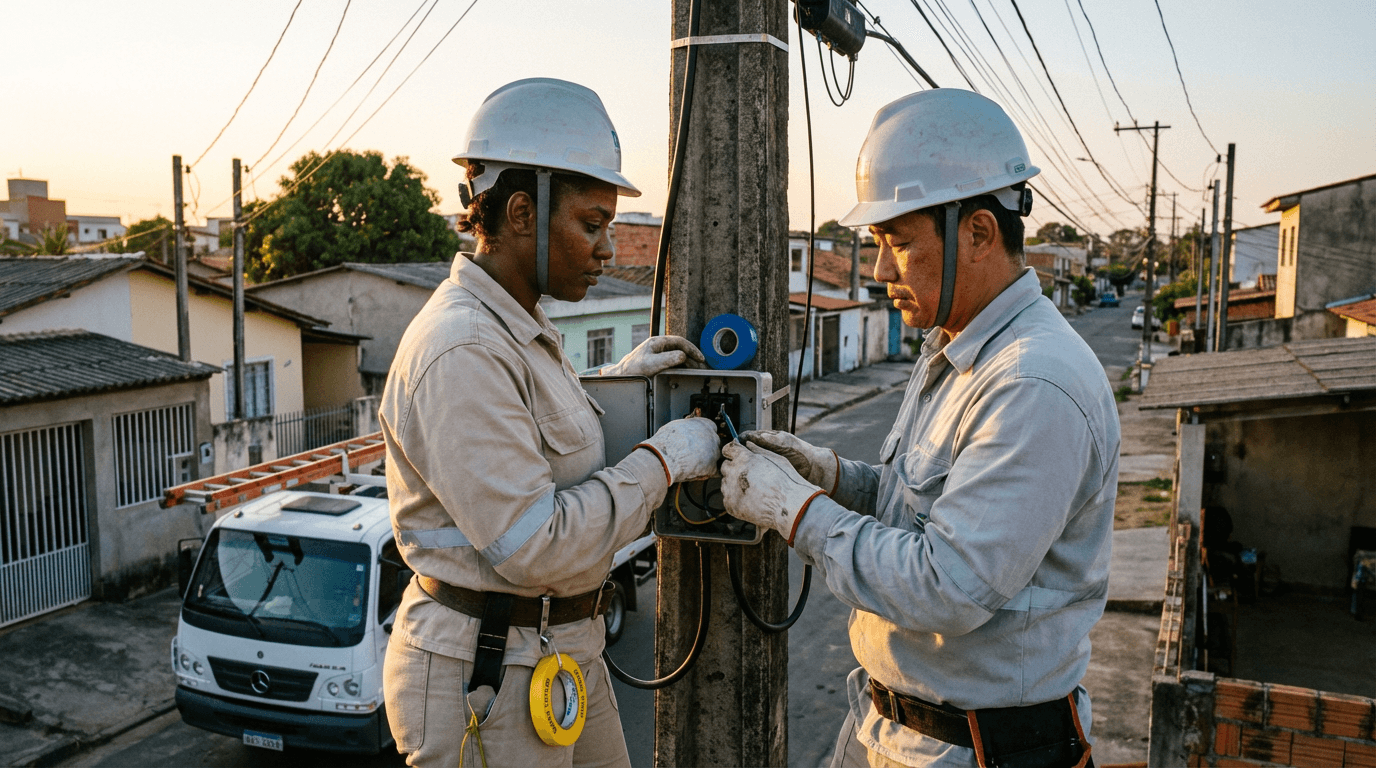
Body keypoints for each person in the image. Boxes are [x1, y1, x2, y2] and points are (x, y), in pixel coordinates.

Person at [720, 89, 1120, 768]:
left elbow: (949, 584)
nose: (878, 272)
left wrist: (796, 511)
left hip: (976, 749)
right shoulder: (953, 348)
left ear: (980, 233)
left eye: (897, 243)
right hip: (894, 726)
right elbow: (923, 507)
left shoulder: (1032, 383)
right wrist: (834, 478)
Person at [379, 78, 720, 767]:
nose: (607, 250)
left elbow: (543, 447)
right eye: (592, 225)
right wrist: (667, 460)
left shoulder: (519, 328)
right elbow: (537, 544)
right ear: (521, 213)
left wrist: (618, 387)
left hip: (556, 650)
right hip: (488, 671)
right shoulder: (464, 347)